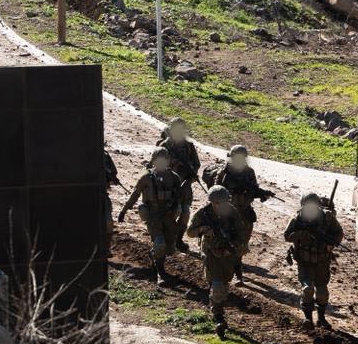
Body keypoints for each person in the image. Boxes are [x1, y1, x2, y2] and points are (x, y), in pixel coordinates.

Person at [201, 143, 273, 283]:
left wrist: (261, 193)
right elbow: (216, 192)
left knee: (241, 243)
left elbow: (253, 189)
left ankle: (237, 273)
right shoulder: (224, 173)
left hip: (244, 213)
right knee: (225, 242)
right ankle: (224, 272)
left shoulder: (249, 172)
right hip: (227, 214)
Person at [117, 147, 182, 285]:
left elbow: (179, 197)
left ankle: (155, 255)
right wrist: (123, 211)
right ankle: (160, 273)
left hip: (169, 216)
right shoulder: (147, 177)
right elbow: (135, 194)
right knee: (160, 244)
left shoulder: (174, 178)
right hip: (153, 216)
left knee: (169, 248)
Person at [187, 185, 244, 337]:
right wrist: (203, 229)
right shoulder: (203, 213)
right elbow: (190, 232)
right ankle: (218, 316)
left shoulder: (232, 212)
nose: (222, 205)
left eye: (225, 201)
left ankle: (218, 308)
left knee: (224, 286)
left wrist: (234, 247)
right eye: (219, 202)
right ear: (212, 202)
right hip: (211, 253)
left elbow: (241, 233)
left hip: (227, 255)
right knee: (217, 285)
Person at [284, 191, 344, 329]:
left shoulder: (327, 217)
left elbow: (339, 233)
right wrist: (303, 234)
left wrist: (330, 244)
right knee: (308, 289)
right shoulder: (298, 218)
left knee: (322, 292)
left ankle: (321, 318)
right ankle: (308, 319)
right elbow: (287, 235)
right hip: (305, 261)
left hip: (322, 261)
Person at [157, 118, 201, 253]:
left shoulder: (189, 146)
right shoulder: (165, 146)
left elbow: (196, 164)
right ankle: (166, 239)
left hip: (184, 187)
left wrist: (190, 179)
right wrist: (173, 164)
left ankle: (178, 240)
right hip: (168, 187)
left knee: (185, 214)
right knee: (170, 214)